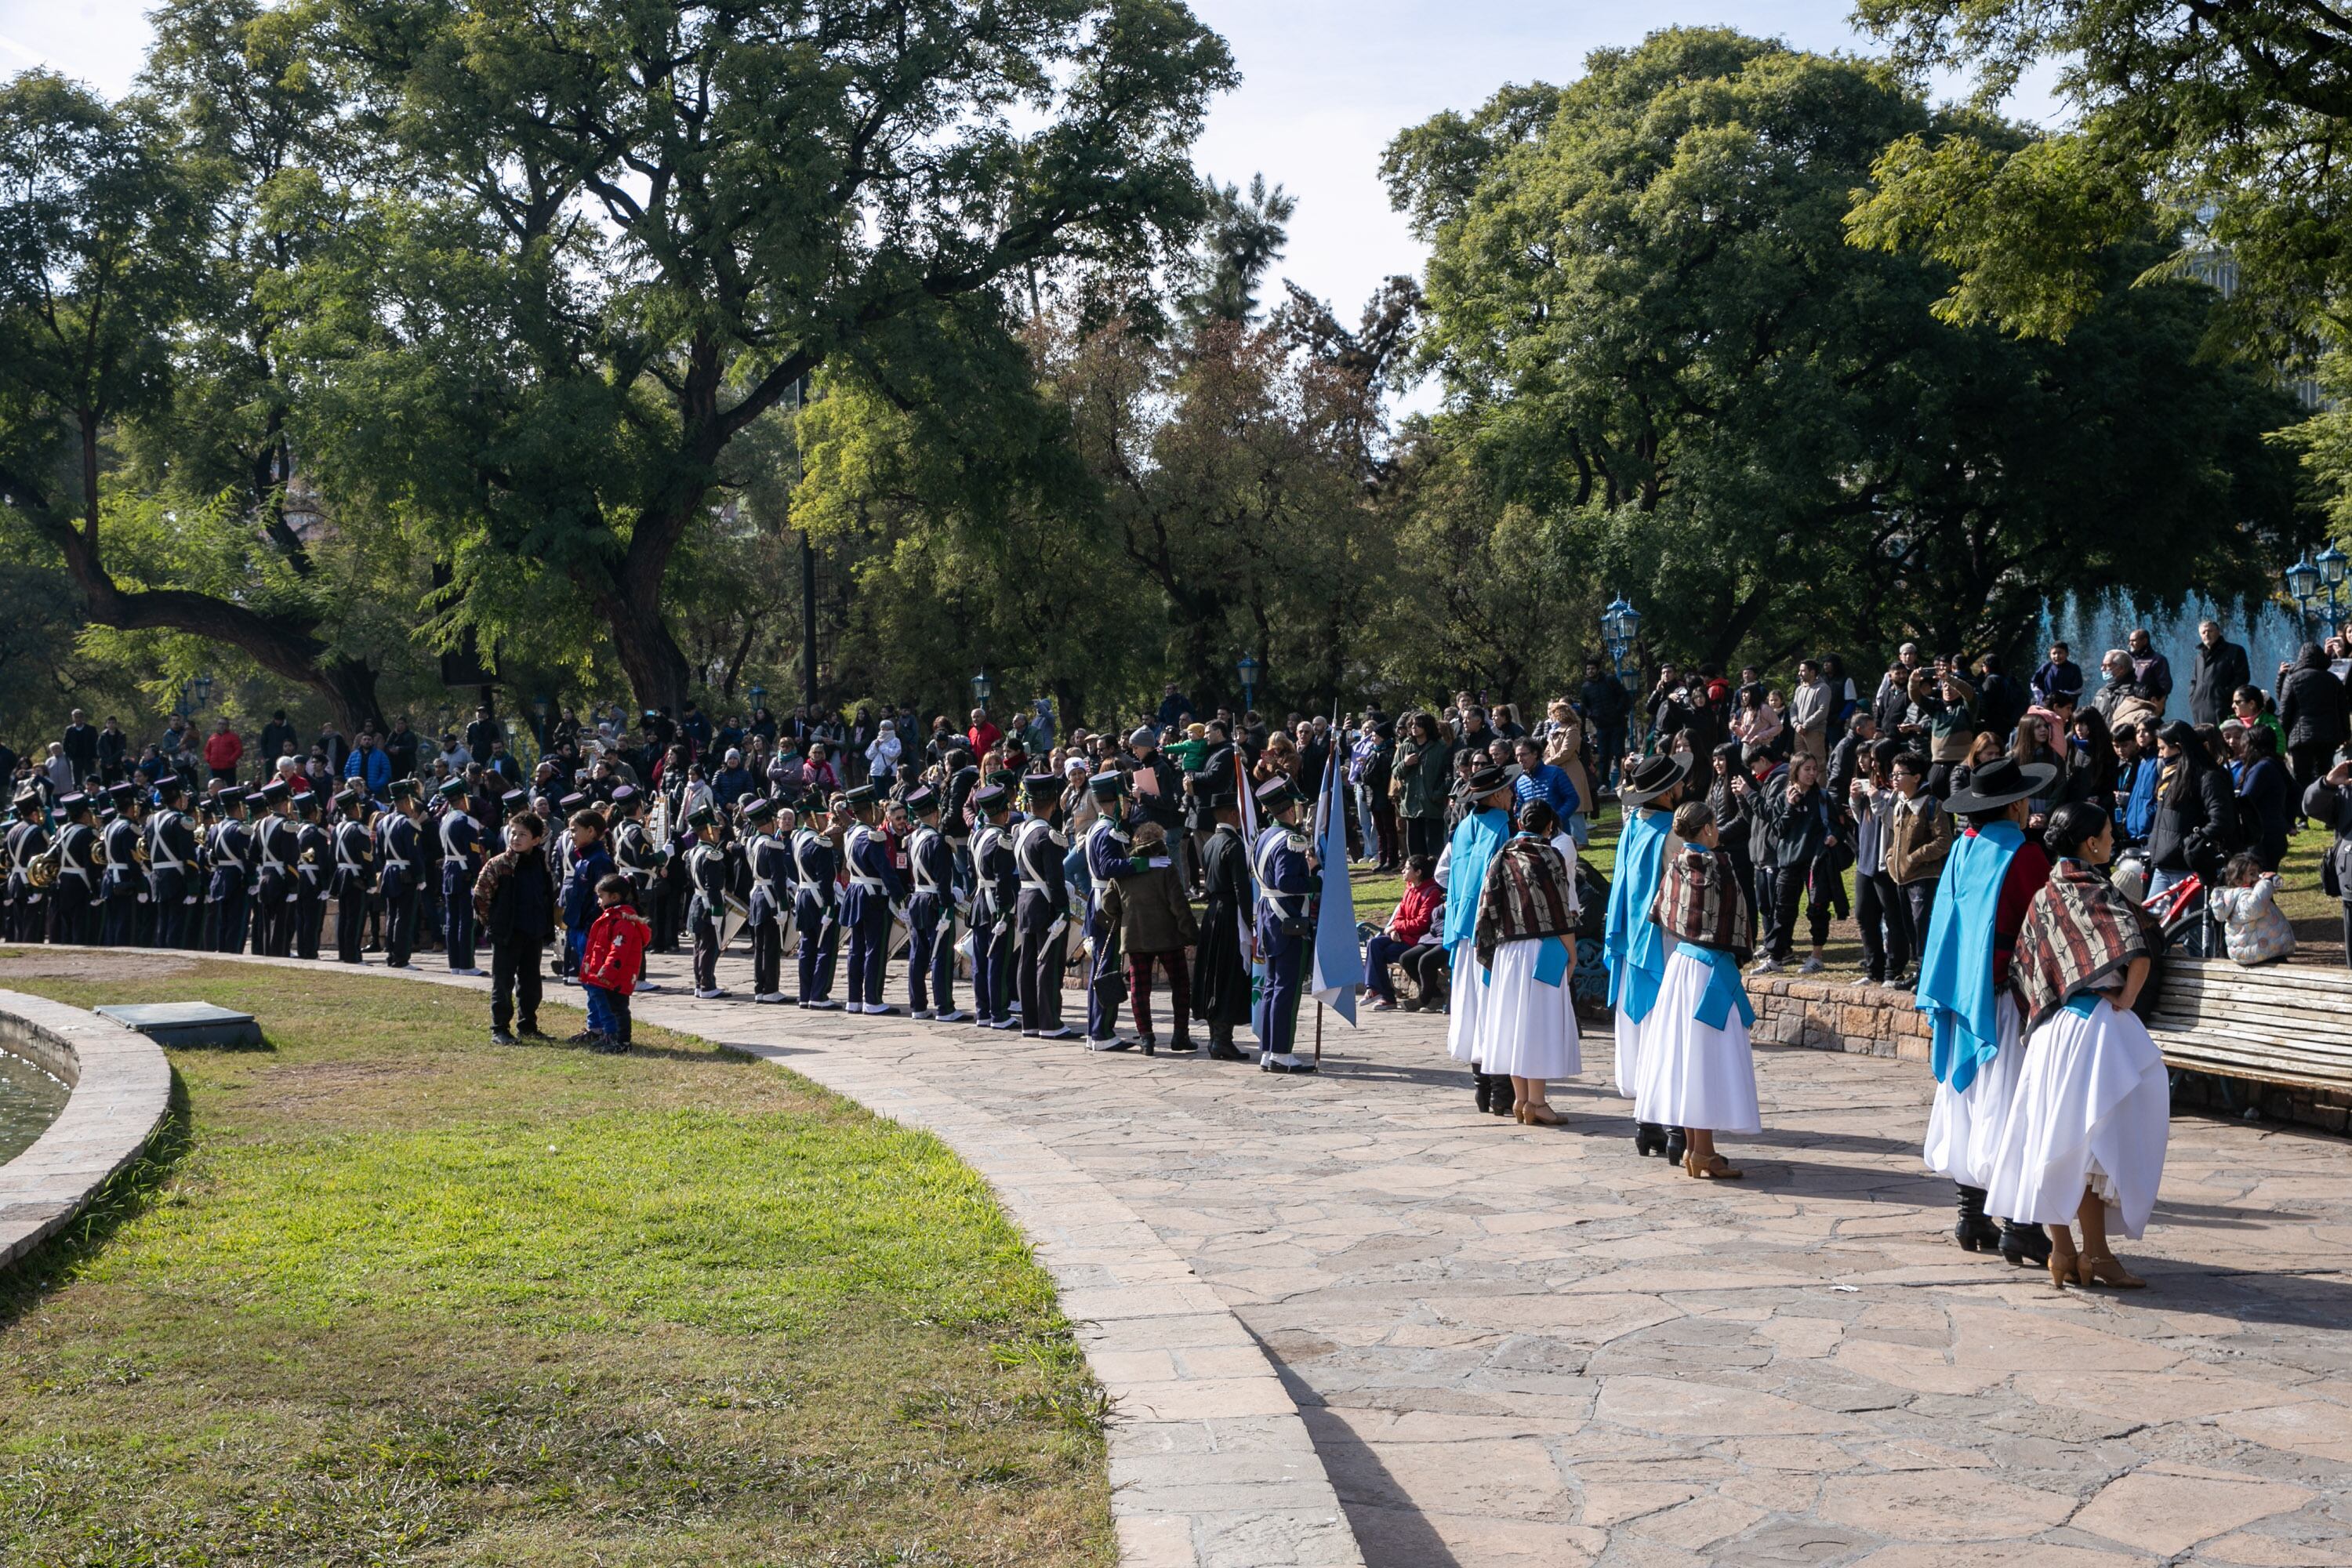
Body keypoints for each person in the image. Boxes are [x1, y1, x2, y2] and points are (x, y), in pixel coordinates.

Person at [1987, 800, 2169, 1290]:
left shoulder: (2045, 895)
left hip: (2050, 1033)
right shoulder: (2095, 887)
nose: (2113, 838)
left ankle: (2065, 1253)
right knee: (2093, 1145)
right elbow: (2136, 946)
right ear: (2091, 843)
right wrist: (2127, 997)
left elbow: (2027, 966)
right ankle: (2098, 1257)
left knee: (2056, 1140)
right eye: (2109, 832)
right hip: (2094, 1031)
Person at [1915, 754, 2056, 1268]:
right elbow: (2046, 925)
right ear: (2016, 804)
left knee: (1968, 1097)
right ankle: (2020, 1225)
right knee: (2012, 1103)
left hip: (1959, 993)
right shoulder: (2023, 855)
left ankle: (1971, 1213)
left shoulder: (1962, 848)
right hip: (2005, 997)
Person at [1639, 800, 1760, 1177]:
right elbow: (1740, 917)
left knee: (1687, 1057)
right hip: (1710, 970)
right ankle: (1703, 1152)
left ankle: (1695, 1147)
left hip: (1681, 966)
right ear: (1707, 829)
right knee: (1705, 1058)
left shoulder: (1676, 862)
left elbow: (1659, 911)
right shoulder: (1719, 864)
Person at [1472, 798, 1582, 1124]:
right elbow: (1561, 907)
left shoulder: (1501, 857)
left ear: (1520, 824)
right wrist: (1571, 952)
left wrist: (1488, 951)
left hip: (1508, 951)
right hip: (1543, 947)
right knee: (1538, 1026)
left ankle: (1521, 1100)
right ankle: (1537, 1101)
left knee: (1513, 1024)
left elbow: (1487, 906)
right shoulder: (1552, 856)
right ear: (1550, 826)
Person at [1605, 753, 1690, 1162]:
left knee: (1640, 1027)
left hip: (1632, 937)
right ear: (1669, 791)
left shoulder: (1632, 827)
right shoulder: (1672, 835)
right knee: (1667, 1029)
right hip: (1665, 940)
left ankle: (1646, 1124)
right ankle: (1674, 1125)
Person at [1443, 764, 1519, 1112]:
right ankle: (1501, 1090)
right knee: (1493, 1007)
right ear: (1496, 795)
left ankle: (1482, 1089)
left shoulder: (1462, 828)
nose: (1511, 795)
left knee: (1472, 1007)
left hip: (1462, 929)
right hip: (1490, 931)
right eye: (1507, 790)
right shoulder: (1503, 827)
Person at [1096, 820, 1196, 1054]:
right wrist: (1191, 933)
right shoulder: (1166, 866)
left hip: (1135, 936)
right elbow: (1179, 905)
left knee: (1140, 989)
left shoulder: (1126, 868)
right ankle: (1180, 1035)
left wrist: (1125, 916)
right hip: (1168, 936)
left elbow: (1108, 903)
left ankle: (1146, 1038)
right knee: (1181, 986)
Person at [1250, 775, 1319, 1074]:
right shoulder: (1292, 840)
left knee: (1272, 986)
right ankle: (1280, 1051)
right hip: (1286, 917)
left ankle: (1269, 1049)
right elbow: (1287, 881)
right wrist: (1314, 877)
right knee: (1285, 989)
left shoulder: (1264, 836)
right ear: (1289, 808)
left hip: (1268, 916)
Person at [470, 808, 554, 1042]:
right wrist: (493, 923)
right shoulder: (499, 865)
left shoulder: (540, 864)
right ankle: (500, 1029)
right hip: (507, 933)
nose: (516, 838)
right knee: (503, 982)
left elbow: (546, 895)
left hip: (533, 932)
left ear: (536, 840)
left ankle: (528, 1025)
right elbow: (481, 898)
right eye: (513, 833)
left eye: (523, 835)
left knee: (530, 983)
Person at [1758, 753, 1837, 975]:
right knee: (1782, 911)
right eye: (1807, 769)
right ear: (1796, 771)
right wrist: (1791, 807)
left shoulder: (1822, 797)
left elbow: (1837, 824)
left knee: (1817, 909)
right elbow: (1778, 830)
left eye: (1815, 769)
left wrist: (1834, 836)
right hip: (1789, 861)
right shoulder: (1784, 797)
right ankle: (1776, 958)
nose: (1812, 774)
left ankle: (1816, 956)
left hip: (1815, 862)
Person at [1013, 772, 1078, 1040]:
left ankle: (1030, 1021)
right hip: (1045, 903)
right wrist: (1063, 909)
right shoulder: (1049, 836)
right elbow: (1055, 879)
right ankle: (1050, 1023)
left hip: (1026, 901)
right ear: (1052, 803)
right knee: (1049, 965)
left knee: (1028, 963)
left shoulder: (1020, 831)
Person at [2146, 720, 2239, 898]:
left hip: (2189, 868)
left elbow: (2222, 820)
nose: (2160, 755)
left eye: (2163, 749)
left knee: (2191, 925)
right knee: (2155, 923)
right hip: (2161, 865)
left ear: (2179, 748)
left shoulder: (2208, 777)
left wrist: (2192, 843)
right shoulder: (2171, 776)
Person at [902, 787, 962, 1022]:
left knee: (918, 955)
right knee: (940, 955)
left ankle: (918, 1005)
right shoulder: (938, 841)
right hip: (934, 902)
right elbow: (943, 879)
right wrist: (948, 903)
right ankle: (944, 1007)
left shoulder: (913, 838)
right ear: (936, 812)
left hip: (917, 898)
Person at [966, 784, 1020, 1029]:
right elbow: (1003, 879)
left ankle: (983, 1011)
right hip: (994, 905)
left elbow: (970, 870)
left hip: (978, 901)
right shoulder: (1002, 839)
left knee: (980, 961)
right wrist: (1005, 910)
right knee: (998, 959)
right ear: (1004, 812)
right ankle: (998, 1013)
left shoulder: (976, 835)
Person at [578, 873, 650, 1053]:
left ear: (615, 897)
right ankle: (612, 1038)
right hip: (610, 975)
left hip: (618, 975)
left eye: (601, 897)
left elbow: (619, 951)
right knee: (612, 1008)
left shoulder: (623, 920)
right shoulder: (612, 917)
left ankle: (623, 1043)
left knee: (619, 1011)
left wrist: (607, 972)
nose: (598, 901)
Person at [1363, 854, 1443, 1011]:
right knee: (1374, 944)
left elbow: (1422, 923)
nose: (1403, 871)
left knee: (1383, 953)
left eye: (1407, 868)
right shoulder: (1409, 889)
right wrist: (1394, 929)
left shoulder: (1431, 892)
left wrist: (1397, 928)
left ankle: (1387, 996)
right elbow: (1401, 914)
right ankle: (1375, 989)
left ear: (1418, 872)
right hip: (1401, 936)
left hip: (1417, 940)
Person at [560, 805, 617, 1008]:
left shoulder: (600, 861)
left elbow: (602, 901)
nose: (571, 835)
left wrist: (589, 928)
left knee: (595, 982)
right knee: (587, 981)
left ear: (591, 831)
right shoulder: (583, 859)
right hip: (578, 927)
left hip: (590, 930)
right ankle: (594, 1026)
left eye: (575, 830)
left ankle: (604, 1028)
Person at [792, 793, 844, 1010]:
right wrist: (830, 905)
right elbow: (825, 880)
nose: (826, 819)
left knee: (807, 948)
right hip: (818, 899)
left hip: (803, 896)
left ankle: (806, 994)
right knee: (825, 948)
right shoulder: (820, 843)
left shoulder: (797, 837)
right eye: (823, 816)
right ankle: (819, 994)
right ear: (813, 817)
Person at [743, 798, 796, 1005]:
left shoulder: (751, 841)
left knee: (760, 947)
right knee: (771, 946)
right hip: (769, 898)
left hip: (756, 895)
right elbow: (777, 878)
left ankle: (760, 988)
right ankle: (771, 989)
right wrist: (783, 906)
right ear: (768, 820)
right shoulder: (772, 843)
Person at [2278, 642, 2347, 787]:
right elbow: (2343, 710)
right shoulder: (2333, 679)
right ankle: (2325, 806)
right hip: (2328, 736)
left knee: (2301, 778)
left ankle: (2304, 807)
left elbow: (2285, 712)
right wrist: (2346, 735)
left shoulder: (2292, 679)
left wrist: (2281, 740)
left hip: (2300, 738)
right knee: (2325, 775)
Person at [2206, 851, 2295, 966]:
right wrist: (2265, 884)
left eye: (2259, 872)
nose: (2258, 877)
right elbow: (2253, 908)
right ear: (2238, 881)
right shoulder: (2242, 896)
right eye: (2252, 874)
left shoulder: (2243, 894)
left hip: (2257, 950)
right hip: (2258, 953)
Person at [435, 777, 485, 976]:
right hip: (463, 871)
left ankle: (455, 963)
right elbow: (473, 853)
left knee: (452, 918)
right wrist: (475, 874)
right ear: (463, 798)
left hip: (449, 870)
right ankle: (466, 964)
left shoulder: (445, 820)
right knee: (466, 919)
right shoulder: (465, 821)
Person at [681, 803, 731, 1000]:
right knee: (710, 946)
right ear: (708, 831)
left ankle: (700, 984)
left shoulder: (693, 852)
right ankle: (707, 984)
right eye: (716, 829)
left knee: (699, 947)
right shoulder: (712, 855)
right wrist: (718, 911)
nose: (719, 832)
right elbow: (714, 886)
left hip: (697, 901)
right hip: (708, 904)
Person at [376, 780, 424, 967]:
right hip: (405, 873)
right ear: (406, 801)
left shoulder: (382, 823)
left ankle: (391, 954)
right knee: (404, 917)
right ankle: (402, 958)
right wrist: (420, 876)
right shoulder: (408, 824)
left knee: (392, 916)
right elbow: (414, 854)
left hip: (389, 870)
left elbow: (379, 853)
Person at [328, 786, 376, 963]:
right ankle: (353, 955)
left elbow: (332, 856)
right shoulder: (359, 829)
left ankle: (344, 953)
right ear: (354, 808)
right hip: (355, 877)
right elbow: (366, 858)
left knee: (345, 917)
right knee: (355, 919)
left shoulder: (339, 828)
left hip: (341, 875)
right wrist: (371, 881)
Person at [2188, 620, 2251, 726]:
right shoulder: (2199, 657)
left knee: (2224, 739)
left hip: (2223, 707)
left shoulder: (2235, 651)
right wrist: (2193, 696)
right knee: (2203, 741)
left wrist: (2223, 694)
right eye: (2203, 633)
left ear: (2218, 632)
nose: (2207, 635)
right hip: (2199, 708)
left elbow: (2243, 677)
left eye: (2210, 631)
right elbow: (2194, 680)